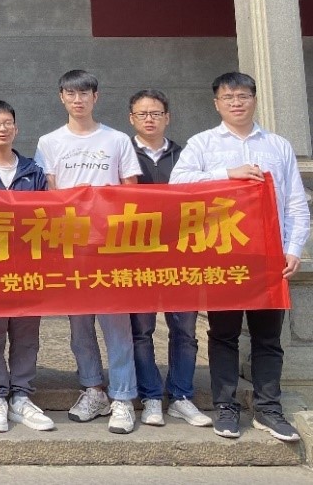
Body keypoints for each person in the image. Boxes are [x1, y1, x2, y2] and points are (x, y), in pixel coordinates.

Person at [170, 72, 310, 442]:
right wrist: (226, 174)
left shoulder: (278, 146)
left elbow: (296, 204)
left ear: (254, 100)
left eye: (243, 96)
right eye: (228, 97)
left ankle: (269, 409)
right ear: (216, 103)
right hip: (224, 257)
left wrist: (293, 249)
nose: (237, 102)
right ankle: (226, 407)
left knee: (268, 338)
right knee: (223, 335)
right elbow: (177, 184)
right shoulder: (203, 144)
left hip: (268, 258)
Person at [35, 69, 141, 435]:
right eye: (71, 93)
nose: (77, 99)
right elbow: (48, 192)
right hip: (71, 246)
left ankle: (123, 397)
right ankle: (93, 389)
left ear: (96, 97)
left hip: (110, 247)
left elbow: (131, 190)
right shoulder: (49, 142)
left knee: (117, 324)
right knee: (79, 326)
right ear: (61, 97)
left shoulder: (117, 140)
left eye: (84, 93)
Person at [127, 89, 212, 429]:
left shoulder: (186, 155)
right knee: (141, 331)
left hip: (182, 256)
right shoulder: (123, 154)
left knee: (185, 330)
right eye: (142, 113)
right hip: (137, 256)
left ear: (167, 117)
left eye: (156, 113)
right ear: (131, 118)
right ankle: (150, 396)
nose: (149, 119)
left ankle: (181, 396)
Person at [0, 100, 54, 434]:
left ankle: (21, 396)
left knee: (26, 334)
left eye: (7, 123)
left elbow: (49, 215)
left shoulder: (34, 171)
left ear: (16, 129)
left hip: (27, 265)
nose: (1, 128)